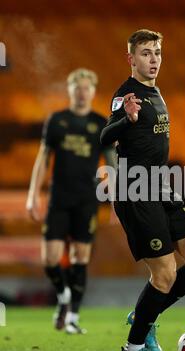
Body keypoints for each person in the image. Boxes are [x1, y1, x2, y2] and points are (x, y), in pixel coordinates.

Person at [100, 30, 185, 351]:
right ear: (131, 59)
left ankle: (143, 315)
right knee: (164, 274)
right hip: (135, 189)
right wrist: (126, 119)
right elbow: (104, 138)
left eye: (157, 53)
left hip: (162, 185)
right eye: (146, 53)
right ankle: (135, 347)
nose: (153, 60)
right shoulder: (125, 96)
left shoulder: (156, 91)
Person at [27, 68, 117, 334]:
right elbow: (43, 158)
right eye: (77, 88)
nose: (82, 92)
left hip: (86, 200)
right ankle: (63, 295)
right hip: (59, 198)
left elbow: (111, 166)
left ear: (93, 91)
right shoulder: (57, 121)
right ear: (70, 91)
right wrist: (33, 193)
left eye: (86, 87)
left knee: (81, 257)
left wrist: (115, 200)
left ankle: (73, 317)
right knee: (50, 258)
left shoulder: (101, 124)